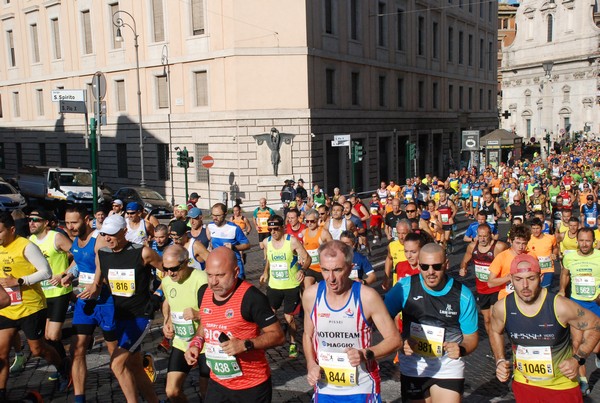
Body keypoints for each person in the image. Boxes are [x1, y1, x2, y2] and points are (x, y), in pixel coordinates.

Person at [490, 253, 600, 402]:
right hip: (524, 384)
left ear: (540, 278)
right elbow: (495, 331)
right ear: (511, 279)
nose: (525, 286)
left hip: (561, 386)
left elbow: (595, 324)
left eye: (531, 278)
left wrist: (578, 359)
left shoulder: (560, 306)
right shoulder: (502, 307)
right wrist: (500, 360)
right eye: (518, 279)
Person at [302, 240, 401, 402]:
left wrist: (365, 354)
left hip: (362, 387)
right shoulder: (311, 296)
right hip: (325, 387)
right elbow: (308, 335)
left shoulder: (367, 297)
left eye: (337, 270)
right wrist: (311, 364)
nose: (331, 278)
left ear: (350, 267)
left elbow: (395, 340)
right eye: (325, 270)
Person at [184, 247, 285, 402]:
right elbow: (206, 323)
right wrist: (196, 343)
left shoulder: (252, 297)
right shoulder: (204, 292)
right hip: (217, 383)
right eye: (209, 275)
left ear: (236, 271)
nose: (213, 282)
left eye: (220, 275)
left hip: (251, 386)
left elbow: (278, 336)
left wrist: (246, 345)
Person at [384, 243, 479, 402]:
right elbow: (382, 320)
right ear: (418, 265)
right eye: (424, 267)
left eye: (436, 266)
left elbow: (471, 338)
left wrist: (461, 349)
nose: (430, 272)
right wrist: (399, 342)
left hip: (448, 366)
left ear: (446, 264)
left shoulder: (462, 295)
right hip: (414, 366)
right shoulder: (404, 287)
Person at [0, 212, 70, 399]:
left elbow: (46, 272)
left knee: (37, 349)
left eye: (0, 232)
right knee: (2, 352)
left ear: (11, 229)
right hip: (7, 306)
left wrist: (19, 280)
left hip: (31, 306)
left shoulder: (26, 246)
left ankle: (63, 367)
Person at [96, 214, 163, 403]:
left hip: (140, 316)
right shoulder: (103, 253)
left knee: (116, 364)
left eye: (112, 234)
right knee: (134, 365)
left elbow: (169, 272)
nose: (107, 238)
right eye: (104, 234)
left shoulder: (143, 252)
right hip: (120, 315)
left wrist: (158, 295)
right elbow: (99, 280)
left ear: (124, 232)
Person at [61, 205, 116, 403]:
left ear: (86, 219)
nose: (70, 227)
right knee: (77, 349)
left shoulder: (98, 238)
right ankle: (79, 398)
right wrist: (68, 274)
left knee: (115, 353)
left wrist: (96, 284)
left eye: (74, 222)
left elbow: (102, 263)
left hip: (105, 302)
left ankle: (135, 384)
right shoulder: (76, 240)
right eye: (67, 223)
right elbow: (78, 261)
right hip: (84, 304)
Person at [161, 245, 209, 402]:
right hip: (181, 342)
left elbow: (217, 311)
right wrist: (167, 322)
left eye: (174, 268)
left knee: (207, 394)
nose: (170, 273)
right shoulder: (167, 281)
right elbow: (168, 302)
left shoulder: (202, 279)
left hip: (205, 345)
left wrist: (198, 314)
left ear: (186, 262)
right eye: (165, 268)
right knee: (172, 391)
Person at [28, 209, 73, 371]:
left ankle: (65, 365)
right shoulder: (30, 240)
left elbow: (78, 255)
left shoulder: (56, 237)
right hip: (42, 294)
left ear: (46, 223)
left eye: (36, 219)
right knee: (47, 337)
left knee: (52, 336)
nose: (31, 223)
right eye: (30, 219)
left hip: (59, 292)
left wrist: (64, 273)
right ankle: (65, 363)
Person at [259, 215, 310, 359]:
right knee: (269, 315)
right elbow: (269, 258)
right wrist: (265, 273)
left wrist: (302, 270)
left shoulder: (291, 241)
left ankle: (293, 343)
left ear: (282, 227)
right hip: (274, 285)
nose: (273, 232)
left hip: (291, 286)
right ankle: (271, 339)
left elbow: (307, 258)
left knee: (289, 318)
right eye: (270, 229)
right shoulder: (266, 242)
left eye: (276, 229)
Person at [559, 228, 600, 394]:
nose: (584, 244)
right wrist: (562, 290)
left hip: (595, 305)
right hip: (577, 305)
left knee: (595, 347)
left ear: (594, 242)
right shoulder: (570, 257)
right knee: (576, 343)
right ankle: (583, 381)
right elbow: (565, 274)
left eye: (588, 241)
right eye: (581, 240)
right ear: (577, 241)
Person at [459, 224, 507, 351]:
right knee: (486, 320)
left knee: (493, 317)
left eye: (485, 236)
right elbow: (465, 260)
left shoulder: (499, 247)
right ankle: (493, 341)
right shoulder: (472, 247)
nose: (482, 239)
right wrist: (462, 268)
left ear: (490, 235)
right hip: (482, 289)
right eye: (480, 236)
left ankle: (498, 342)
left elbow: (510, 259)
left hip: (497, 288)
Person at [487, 224, 533, 300]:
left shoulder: (531, 256)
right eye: (517, 243)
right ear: (511, 241)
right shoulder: (501, 257)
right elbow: (490, 283)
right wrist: (508, 278)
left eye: (524, 243)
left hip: (526, 298)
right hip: (506, 298)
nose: (521, 247)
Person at [207, 203, 250, 279]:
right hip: (219, 268)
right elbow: (210, 240)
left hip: (234, 267)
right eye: (213, 215)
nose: (215, 218)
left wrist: (234, 247)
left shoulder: (234, 228)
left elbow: (247, 245)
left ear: (225, 214)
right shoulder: (210, 226)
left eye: (218, 215)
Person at [302, 209, 333, 288]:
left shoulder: (324, 233)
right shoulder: (304, 232)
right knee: (307, 288)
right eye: (307, 221)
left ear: (317, 220)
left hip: (322, 268)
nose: (309, 223)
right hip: (310, 268)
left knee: (326, 290)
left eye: (312, 221)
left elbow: (333, 248)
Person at [528, 218, 559, 288]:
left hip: (547, 269)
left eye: (537, 228)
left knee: (545, 289)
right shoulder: (528, 239)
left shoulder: (550, 238)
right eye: (533, 228)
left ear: (542, 228)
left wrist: (554, 253)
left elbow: (556, 248)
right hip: (534, 270)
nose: (535, 231)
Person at [383, 220, 411, 290]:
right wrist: (386, 277)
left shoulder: (416, 245)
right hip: (398, 285)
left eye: (404, 233)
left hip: (412, 283)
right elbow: (389, 259)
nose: (401, 237)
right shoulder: (392, 246)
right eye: (398, 233)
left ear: (410, 232)